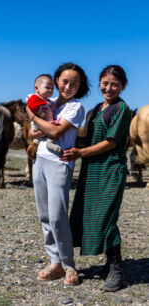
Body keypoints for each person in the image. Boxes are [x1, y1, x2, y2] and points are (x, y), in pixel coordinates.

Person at [60, 65, 131, 292]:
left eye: (114, 85)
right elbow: (87, 140)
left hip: (110, 171)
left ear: (123, 87)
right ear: (99, 83)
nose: (108, 88)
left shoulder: (121, 109)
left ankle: (117, 272)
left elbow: (111, 142)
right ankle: (109, 264)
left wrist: (80, 153)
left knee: (106, 219)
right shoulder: (95, 110)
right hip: (92, 172)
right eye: (105, 83)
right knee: (91, 217)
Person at [26, 63, 88, 285]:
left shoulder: (75, 107)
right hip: (40, 160)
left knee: (57, 215)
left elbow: (55, 130)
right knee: (44, 215)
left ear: (80, 87)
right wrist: (36, 121)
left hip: (60, 164)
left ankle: (69, 264)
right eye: (64, 81)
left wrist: (32, 115)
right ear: (56, 81)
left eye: (75, 83)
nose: (68, 86)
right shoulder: (48, 103)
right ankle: (55, 263)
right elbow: (34, 133)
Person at [26, 74, 62, 154]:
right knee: (52, 130)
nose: (50, 90)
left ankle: (43, 142)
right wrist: (40, 113)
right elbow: (30, 106)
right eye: (47, 88)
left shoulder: (48, 100)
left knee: (52, 130)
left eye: (52, 88)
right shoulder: (35, 98)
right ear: (36, 88)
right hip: (39, 124)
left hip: (45, 124)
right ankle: (50, 143)